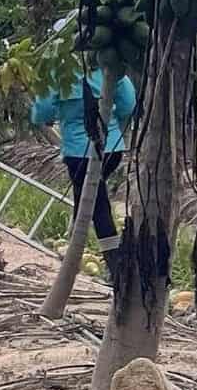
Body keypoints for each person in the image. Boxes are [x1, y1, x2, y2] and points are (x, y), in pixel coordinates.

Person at [29, 69, 137, 254]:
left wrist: (52, 115)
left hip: (79, 152)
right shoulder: (108, 63)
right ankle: (74, 248)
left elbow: (43, 110)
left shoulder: (60, 66)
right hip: (112, 148)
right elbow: (128, 103)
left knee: (98, 206)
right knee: (86, 198)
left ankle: (115, 263)